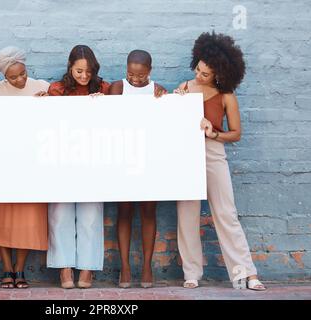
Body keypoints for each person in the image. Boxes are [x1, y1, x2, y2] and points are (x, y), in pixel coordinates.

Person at [175, 32, 266, 291]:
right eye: (197, 69)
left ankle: (245, 273)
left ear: (219, 74)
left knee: (226, 214)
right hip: (186, 155)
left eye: (205, 74)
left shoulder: (226, 96)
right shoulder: (184, 87)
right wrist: (175, 104)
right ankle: (191, 273)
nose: (198, 76)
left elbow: (236, 133)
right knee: (187, 215)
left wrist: (214, 133)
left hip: (213, 154)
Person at [0, 47, 50, 289]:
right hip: (2, 163)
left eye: (22, 74)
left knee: (29, 217)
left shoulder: (42, 87)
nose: (19, 80)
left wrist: (48, 103)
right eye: (13, 77)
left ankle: (19, 269)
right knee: (1, 218)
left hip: (32, 162)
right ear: (5, 76)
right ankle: (7, 268)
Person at [47, 45, 110, 289]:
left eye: (88, 72)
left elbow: (123, 117)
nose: (84, 76)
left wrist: (105, 104)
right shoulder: (57, 90)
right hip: (61, 158)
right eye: (79, 71)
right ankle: (64, 269)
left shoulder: (104, 88)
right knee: (60, 213)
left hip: (93, 160)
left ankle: (87, 269)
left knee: (91, 215)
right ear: (70, 68)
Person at [109, 49, 167, 289]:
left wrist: (169, 98)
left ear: (150, 72)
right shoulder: (117, 87)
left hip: (149, 157)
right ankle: (124, 267)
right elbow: (108, 119)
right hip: (122, 156)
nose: (135, 79)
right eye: (131, 73)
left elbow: (166, 120)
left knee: (148, 212)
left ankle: (146, 267)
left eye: (141, 75)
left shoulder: (157, 90)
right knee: (124, 211)